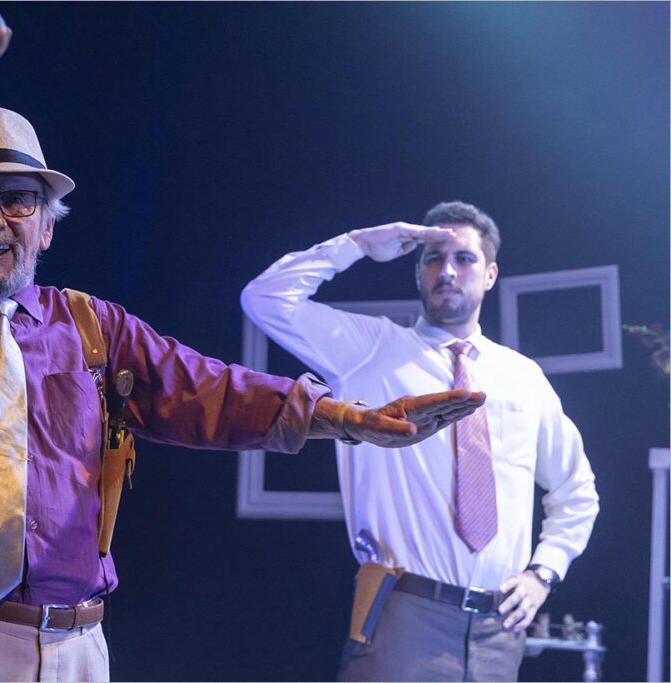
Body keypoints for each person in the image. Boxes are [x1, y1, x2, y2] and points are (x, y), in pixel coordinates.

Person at [0, 10, 485, 683]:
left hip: (72, 648)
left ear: (47, 227)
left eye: (18, 199)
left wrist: (351, 419)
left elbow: (210, 388)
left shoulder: (92, 328)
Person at [241, 203, 600, 681]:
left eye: (464, 259)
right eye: (433, 258)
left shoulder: (522, 377)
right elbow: (264, 298)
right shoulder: (370, 348)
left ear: (490, 273)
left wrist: (544, 573)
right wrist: (358, 244)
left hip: (500, 630)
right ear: (416, 274)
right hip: (405, 612)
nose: (447, 271)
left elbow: (576, 489)